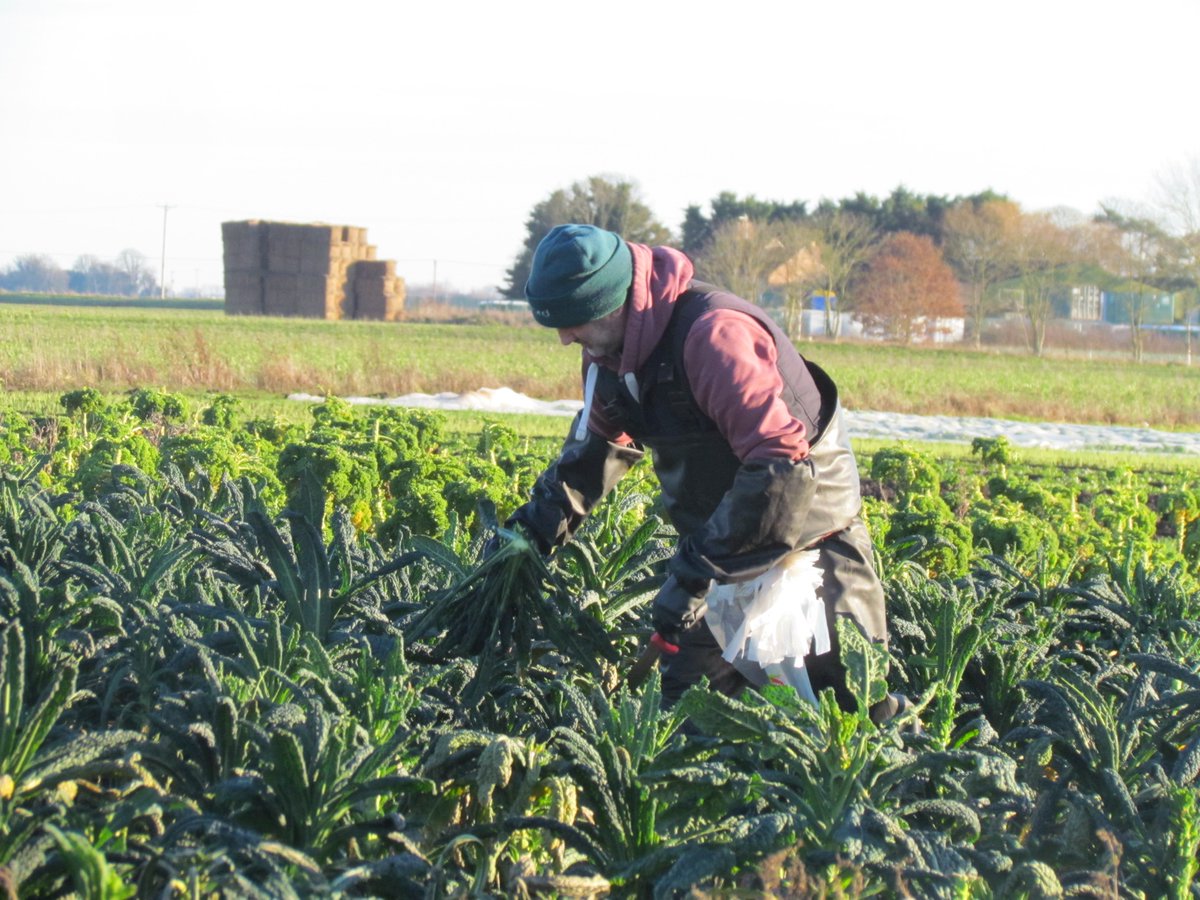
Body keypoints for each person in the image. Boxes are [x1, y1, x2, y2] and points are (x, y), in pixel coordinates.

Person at [506, 222, 900, 719]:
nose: (566, 339)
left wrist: (699, 573)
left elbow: (781, 467)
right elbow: (589, 460)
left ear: (612, 302)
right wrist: (525, 540)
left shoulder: (714, 336)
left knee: (855, 709)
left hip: (813, 542)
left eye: (574, 321)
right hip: (724, 543)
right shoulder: (605, 359)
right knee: (689, 713)